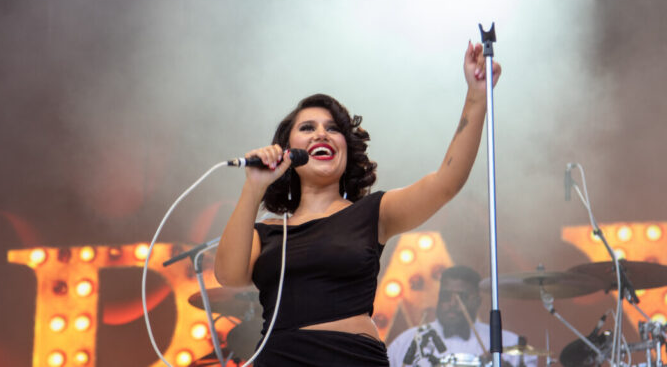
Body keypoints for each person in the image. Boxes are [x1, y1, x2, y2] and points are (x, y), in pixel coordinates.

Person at [214, 42, 501, 366]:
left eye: (333, 129)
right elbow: (228, 275)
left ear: (346, 150)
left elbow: (446, 183)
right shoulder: (267, 232)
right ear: (287, 151)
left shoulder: (372, 213)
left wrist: (477, 97)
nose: (321, 134)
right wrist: (254, 186)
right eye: (307, 128)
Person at [387, 266, 538, 367]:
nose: (452, 303)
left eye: (462, 297)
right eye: (446, 296)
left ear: (478, 301)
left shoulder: (509, 343)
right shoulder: (405, 343)